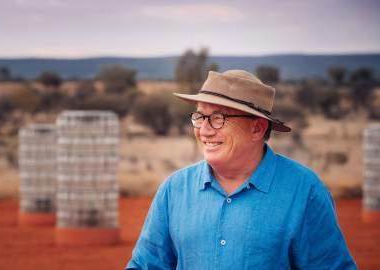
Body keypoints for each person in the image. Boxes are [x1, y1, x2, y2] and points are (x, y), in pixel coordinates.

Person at [126, 70, 356, 269]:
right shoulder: (174, 189)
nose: (204, 130)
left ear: (257, 128)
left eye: (218, 118)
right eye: (199, 116)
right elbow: (146, 265)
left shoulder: (305, 191)